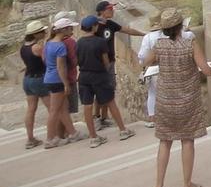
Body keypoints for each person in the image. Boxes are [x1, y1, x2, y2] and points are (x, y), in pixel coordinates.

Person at [142, 8, 211, 187]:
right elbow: (205, 70)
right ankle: (187, 184)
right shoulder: (190, 44)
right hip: (187, 101)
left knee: (164, 142)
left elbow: (145, 61)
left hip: (165, 100)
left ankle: (158, 186)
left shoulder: (159, 45)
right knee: (187, 140)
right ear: (180, 26)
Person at [78, 15, 136, 147]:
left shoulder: (79, 42)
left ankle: (93, 137)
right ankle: (123, 130)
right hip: (99, 75)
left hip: (83, 76)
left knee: (87, 106)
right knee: (110, 102)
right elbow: (106, 61)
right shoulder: (100, 42)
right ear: (93, 27)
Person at [93, 0, 146, 129]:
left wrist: (144, 34)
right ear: (102, 12)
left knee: (109, 89)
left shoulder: (110, 24)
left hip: (110, 62)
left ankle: (104, 117)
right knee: (100, 91)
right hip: (99, 64)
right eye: (109, 9)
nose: (112, 11)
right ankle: (97, 117)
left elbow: (126, 30)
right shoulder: (94, 26)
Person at [139, 11, 195, 129]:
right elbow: (189, 38)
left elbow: (143, 57)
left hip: (154, 68)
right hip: (173, 66)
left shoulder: (148, 38)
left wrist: (145, 65)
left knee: (153, 92)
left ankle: (152, 118)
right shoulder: (173, 34)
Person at [42, 17, 81, 149]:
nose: (71, 30)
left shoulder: (48, 43)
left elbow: (45, 60)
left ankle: (73, 133)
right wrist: (65, 83)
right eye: (70, 28)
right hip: (57, 80)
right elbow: (61, 67)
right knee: (54, 111)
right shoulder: (60, 46)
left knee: (63, 109)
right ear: (63, 30)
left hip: (49, 77)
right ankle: (50, 139)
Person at [20, 20, 52, 149]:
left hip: (27, 79)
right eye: (42, 31)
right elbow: (47, 61)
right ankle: (54, 135)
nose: (44, 33)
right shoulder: (37, 48)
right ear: (36, 34)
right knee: (52, 108)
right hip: (39, 79)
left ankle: (30, 138)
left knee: (31, 109)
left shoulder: (23, 47)